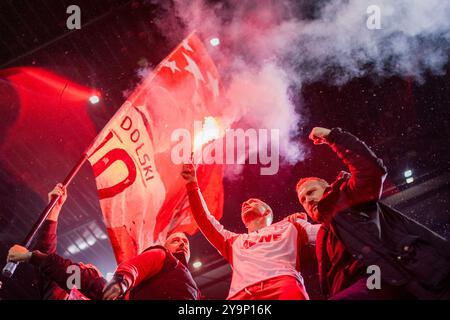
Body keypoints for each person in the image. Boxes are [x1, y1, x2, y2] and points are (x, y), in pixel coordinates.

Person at [295, 126, 450, 300]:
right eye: (302, 200)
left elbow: (371, 171)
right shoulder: (324, 234)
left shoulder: (346, 196)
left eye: (311, 192)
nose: (307, 200)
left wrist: (333, 137)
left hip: (380, 280)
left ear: (328, 189)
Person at [181, 163, 320, 300]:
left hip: (283, 285)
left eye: (253, 202)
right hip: (241, 294)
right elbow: (204, 220)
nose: (245, 204)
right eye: (244, 205)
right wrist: (192, 184)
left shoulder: (292, 226)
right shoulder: (233, 241)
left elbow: (329, 230)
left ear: (267, 212)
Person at [7, 184, 107, 300]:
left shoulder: (103, 293)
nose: (79, 263)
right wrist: (54, 209)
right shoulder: (63, 290)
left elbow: (70, 272)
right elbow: (48, 259)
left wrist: (30, 256)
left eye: (86, 268)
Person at [102, 231, 200, 300]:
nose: (182, 243)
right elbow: (135, 266)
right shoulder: (161, 254)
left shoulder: (196, 290)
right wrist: (121, 281)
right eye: (175, 240)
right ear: (165, 246)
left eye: (185, 241)